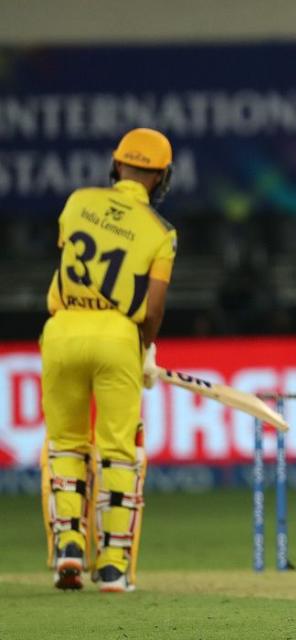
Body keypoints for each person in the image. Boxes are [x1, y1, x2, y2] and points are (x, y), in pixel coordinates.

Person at [40, 128, 177, 592]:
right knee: (118, 450)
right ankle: (115, 566)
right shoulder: (162, 233)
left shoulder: (77, 202)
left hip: (61, 330)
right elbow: (153, 307)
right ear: (161, 177)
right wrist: (146, 347)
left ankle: (70, 546)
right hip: (118, 334)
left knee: (65, 446)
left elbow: (69, 261)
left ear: (117, 165)